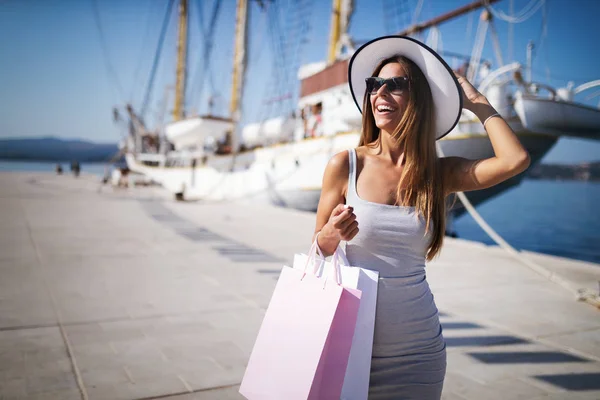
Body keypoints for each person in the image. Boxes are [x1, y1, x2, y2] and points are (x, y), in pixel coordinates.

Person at [312, 36, 530, 399]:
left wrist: (478, 104)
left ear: (419, 100)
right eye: (374, 85)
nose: (381, 93)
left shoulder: (439, 173)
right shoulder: (346, 164)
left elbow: (514, 160)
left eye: (395, 85)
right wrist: (331, 234)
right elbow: (317, 250)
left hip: (419, 354)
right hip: (348, 348)